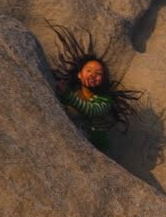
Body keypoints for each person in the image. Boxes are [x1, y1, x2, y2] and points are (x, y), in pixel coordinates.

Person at [49, 23, 140, 151]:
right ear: (80, 75)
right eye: (89, 71)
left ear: (103, 79)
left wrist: (67, 94)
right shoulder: (74, 91)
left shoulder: (105, 99)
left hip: (96, 148)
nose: (93, 75)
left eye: (98, 74)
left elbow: (91, 110)